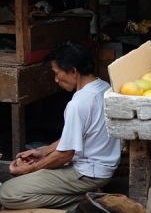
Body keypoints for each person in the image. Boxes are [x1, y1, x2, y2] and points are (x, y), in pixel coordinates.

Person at [0, 42, 121, 210]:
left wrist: (30, 170)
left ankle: (83, 203)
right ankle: (86, 195)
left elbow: (65, 155)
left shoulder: (78, 104)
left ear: (73, 71)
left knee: (8, 193)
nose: (56, 79)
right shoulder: (104, 87)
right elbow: (76, 137)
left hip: (87, 173)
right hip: (100, 168)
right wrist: (42, 152)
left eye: (57, 74)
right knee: (38, 157)